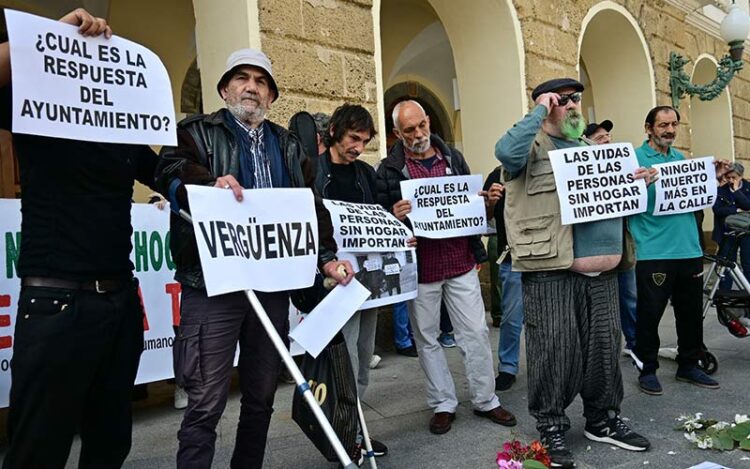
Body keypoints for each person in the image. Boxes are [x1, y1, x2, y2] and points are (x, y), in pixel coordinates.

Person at [156, 48, 353, 469]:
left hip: (272, 290)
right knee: (205, 403)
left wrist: (326, 259)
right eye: (242, 78)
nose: (251, 87)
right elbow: (167, 172)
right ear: (225, 88)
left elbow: (310, 208)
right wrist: (209, 184)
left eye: (261, 81)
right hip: (213, 288)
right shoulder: (195, 132)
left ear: (271, 95)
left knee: (262, 396)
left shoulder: (288, 144)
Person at [0, 9, 158, 468]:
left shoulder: (122, 126)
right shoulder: (34, 106)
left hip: (119, 303)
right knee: (38, 449)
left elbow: (165, 172)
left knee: (110, 444)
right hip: (56, 304)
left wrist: (213, 185)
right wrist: (49, 36)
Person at [496, 78, 651, 468]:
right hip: (553, 270)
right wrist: (537, 111)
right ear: (545, 106)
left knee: (603, 350)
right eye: (561, 101)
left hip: (603, 274)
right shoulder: (529, 149)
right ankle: (551, 425)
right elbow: (504, 150)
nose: (572, 106)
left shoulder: (590, 149)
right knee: (555, 351)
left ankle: (603, 419)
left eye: (576, 99)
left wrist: (635, 182)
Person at [377, 100, 516, 435]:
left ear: (428, 122)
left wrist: (487, 203)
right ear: (398, 133)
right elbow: (380, 220)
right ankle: (443, 403)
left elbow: (471, 209)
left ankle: (486, 399)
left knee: (476, 332)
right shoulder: (389, 170)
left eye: (422, 125)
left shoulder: (452, 158)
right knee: (427, 338)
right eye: (409, 130)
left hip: (459, 262)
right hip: (421, 269)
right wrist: (391, 215)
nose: (418, 133)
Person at [313, 102, 388, 458]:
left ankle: (356, 430)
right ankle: (344, 436)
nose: (358, 146)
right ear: (334, 133)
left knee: (362, 356)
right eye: (353, 138)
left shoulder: (365, 174)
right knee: (343, 361)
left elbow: (376, 218)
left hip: (366, 281)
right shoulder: (312, 171)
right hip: (332, 282)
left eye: (364, 141)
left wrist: (394, 230)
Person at [630, 105, 721, 396]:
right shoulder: (635, 159)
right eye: (663, 125)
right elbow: (623, 198)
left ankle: (689, 364)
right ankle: (648, 368)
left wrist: (712, 177)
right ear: (648, 128)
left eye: (674, 124)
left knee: (691, 312)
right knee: (650, 314)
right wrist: (639, 184)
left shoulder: (680, 160)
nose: (670, 130)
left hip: (689, 250)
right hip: (653, 251)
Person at [584, 120, 637, 354]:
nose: (606, 140)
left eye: (608, 136)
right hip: (594, 248)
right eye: (599, 138)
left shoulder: (626, 166)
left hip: (621, 244)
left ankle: (634, 344)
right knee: (600, 303)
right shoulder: (581, 171)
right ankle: (601, 349)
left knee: (629, 297)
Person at [483, 167, 523, 392]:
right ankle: (508, 367)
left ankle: (548, 364)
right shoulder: (496, 175)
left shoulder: (545, 168)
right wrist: (491, 202)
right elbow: (484, 217)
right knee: (511, 316)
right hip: (513, 256)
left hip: (545, 256)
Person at [712, 161, 750, 290]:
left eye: (734, 177)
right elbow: (717, 210)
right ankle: (724, 296)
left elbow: (748, 206)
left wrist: (736, 192)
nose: (731, 180)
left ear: (741, 176)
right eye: (728, 177)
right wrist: (736, 210)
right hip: (727, 232)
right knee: (726, 264)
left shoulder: (748, 188)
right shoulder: (720, 190)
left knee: (748, 264)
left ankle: (747, 292)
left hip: (746, 232)